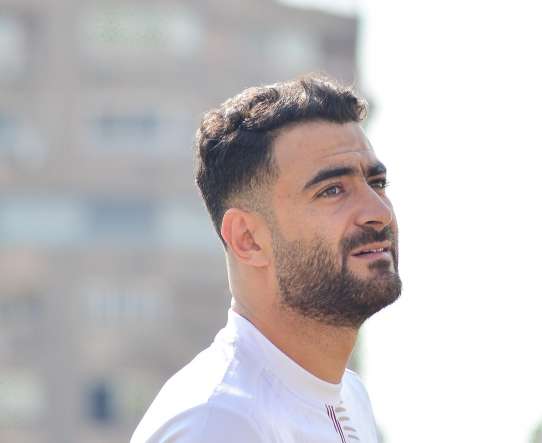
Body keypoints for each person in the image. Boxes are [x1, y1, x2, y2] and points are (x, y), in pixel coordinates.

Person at [131, 75, 402, 443]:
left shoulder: (349, 398)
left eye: (377, 183)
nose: (379, 213)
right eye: (333, 190)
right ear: (248, 239)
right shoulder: (217, 422)